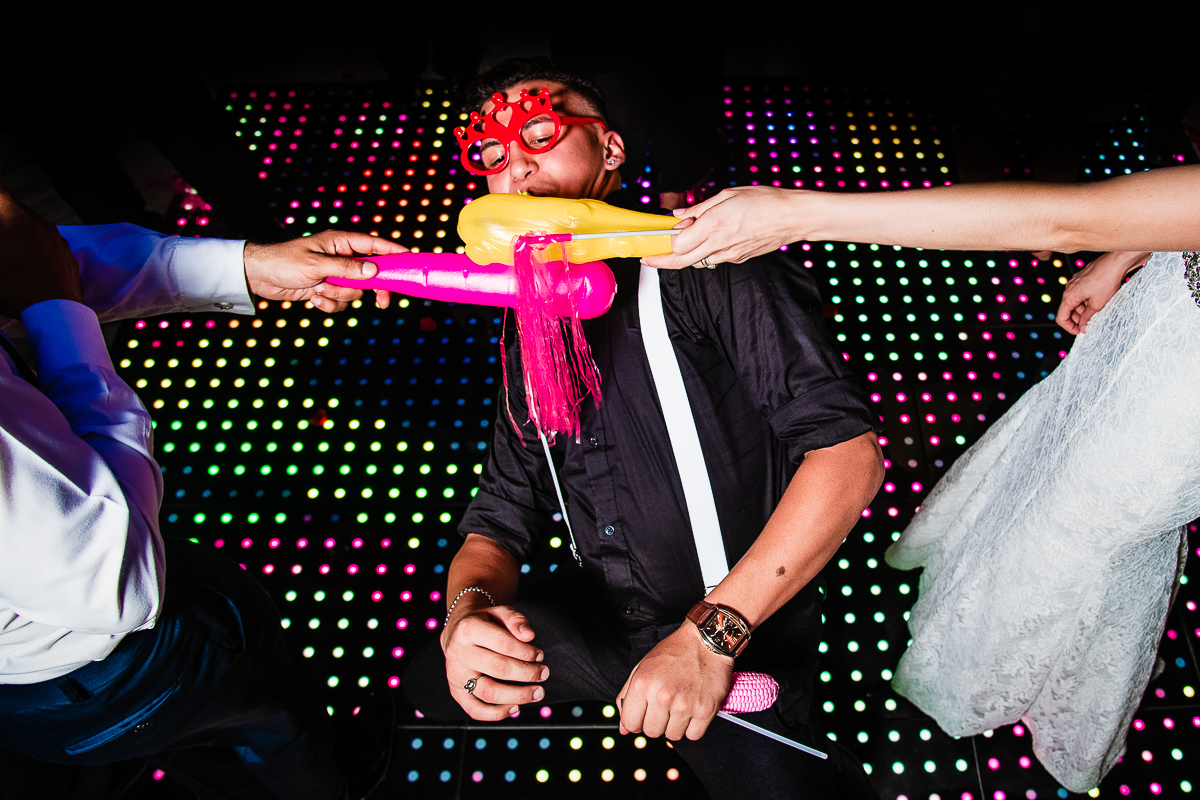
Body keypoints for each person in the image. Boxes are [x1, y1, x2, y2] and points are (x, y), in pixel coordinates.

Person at [402, 58, 884, 800]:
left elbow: (847, 455)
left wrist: (708, 639)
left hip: (733, 634)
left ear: (611, 152)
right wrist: (464, 620)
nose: (516, 163)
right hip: (599, 616)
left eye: (540, 129)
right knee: (422, 684)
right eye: (492, 154)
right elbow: (498, 517)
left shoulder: (709, 261)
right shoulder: (525, 314)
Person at [642, 168, 1200, 791]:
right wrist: (1134, 247)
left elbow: (1060, 219)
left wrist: (793, 213)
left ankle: (994, 675)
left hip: (1184, 399)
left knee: (1086, 530)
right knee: (1047, 456)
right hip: (1164, 306)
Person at [0, 182, 405, 799]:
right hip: (113, 661)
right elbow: (120, 581)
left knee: (199, 740)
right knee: (276, 723)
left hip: (38, 684)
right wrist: (61, 320)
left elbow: (28, 258)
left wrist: (246, 266)